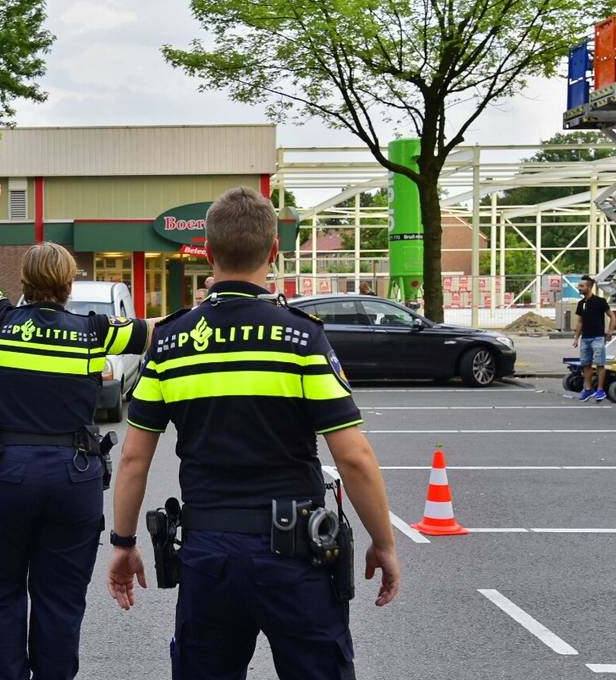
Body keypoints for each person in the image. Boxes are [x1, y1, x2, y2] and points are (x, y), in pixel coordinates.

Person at [107, 186, 400, 679]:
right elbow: (353, 457)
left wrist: (123, 541)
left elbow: (135, 458)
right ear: (274, 252)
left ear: (207, 251)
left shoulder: (171, 342)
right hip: (296, 555)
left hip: (208, 554)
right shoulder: (302, 337)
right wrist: (383, 542)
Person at [0, 167, 154, 680]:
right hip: (73, 477)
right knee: (61, 599)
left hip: (3, 475)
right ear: (70, 285)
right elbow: (158, 331)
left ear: (24, 284)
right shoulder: (95, 332)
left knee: (0, 592)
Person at [572, 276, 616, 402]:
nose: (579, 288)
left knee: (599, 363)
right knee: (585, 363)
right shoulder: (581, 303)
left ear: (590, 287)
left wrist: (610, 331)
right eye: (579, 286)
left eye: (582, 286)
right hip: (585, 338)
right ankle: (588, 389)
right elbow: (580, 322)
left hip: (598, 337)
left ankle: (600, 390)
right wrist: (576, 338)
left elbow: (612, 316)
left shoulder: (600, 301)